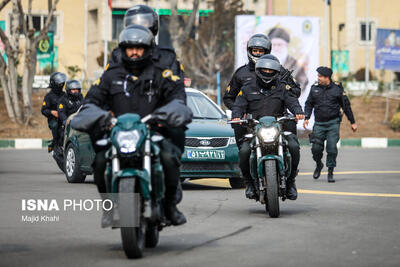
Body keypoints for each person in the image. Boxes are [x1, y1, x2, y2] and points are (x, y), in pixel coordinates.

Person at [84, 25, 188, 227]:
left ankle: (169, 206)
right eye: (129, 48)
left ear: (148, 49)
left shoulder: (161, 73)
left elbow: (177, 95)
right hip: (120, 131)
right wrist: (92, 111)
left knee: (169, 158)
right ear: (123, 49)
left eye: (138, 48)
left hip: (151, 130)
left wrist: (172, 110)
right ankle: (108, 208)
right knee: (98, 162)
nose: (134, 52)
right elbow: (93, 98)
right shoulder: (111, 75)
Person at [232, 55, 305, 200]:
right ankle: (249, 183)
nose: (267, 72)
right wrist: (236, 116)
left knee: (293, 146)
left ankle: (291, 182)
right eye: (264, 69)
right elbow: (239, 105)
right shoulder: (247, 88)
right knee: (244, 151)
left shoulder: (282, 87)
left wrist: (298, 112)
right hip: (254, 128)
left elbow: (292, 101)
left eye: (270, 70)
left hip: (279, 127)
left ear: (276, 72)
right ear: (258, 70)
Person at [223, 33, 301, 148]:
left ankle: (292, 162)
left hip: (276, 119)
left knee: (292, 141)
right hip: (250, 120)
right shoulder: (241, 73)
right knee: (243, 148)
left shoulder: (280, 70)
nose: (258, 54)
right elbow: (229, 98)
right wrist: (239, 112)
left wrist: (283, 90)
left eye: (261, 51)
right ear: (249, 50)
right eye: (255, 51)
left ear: (267, 52)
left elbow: (295, 91)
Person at [303, 66, 357, 183]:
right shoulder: (314, 89)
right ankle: (318, 164)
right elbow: (308, 104)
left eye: (320, 76)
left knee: (331, 148)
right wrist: (306, 117)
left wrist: (352, 122)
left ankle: (330, 172)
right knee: (316, 149)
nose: (318, 78)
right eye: (318, 76)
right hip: (319, 123)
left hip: (333, 123)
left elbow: (346, 106)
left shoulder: (337, 89)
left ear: (327, 78)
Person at [268, 27, 309, 93]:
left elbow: (303, 82)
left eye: (279, 45)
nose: (276, 48)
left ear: (287, 45)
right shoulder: (265, 62)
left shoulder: (295, 64)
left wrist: (291, 93)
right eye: (274, 45)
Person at [41, 72, 67, 151]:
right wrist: (52, 112)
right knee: (55, 125)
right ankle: (55, 144)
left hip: (65, 118)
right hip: (54, 119)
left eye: (62, 83)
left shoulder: (65, 95)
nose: (61, 85)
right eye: (60, 83)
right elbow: (43, 110)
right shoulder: (49, 96)